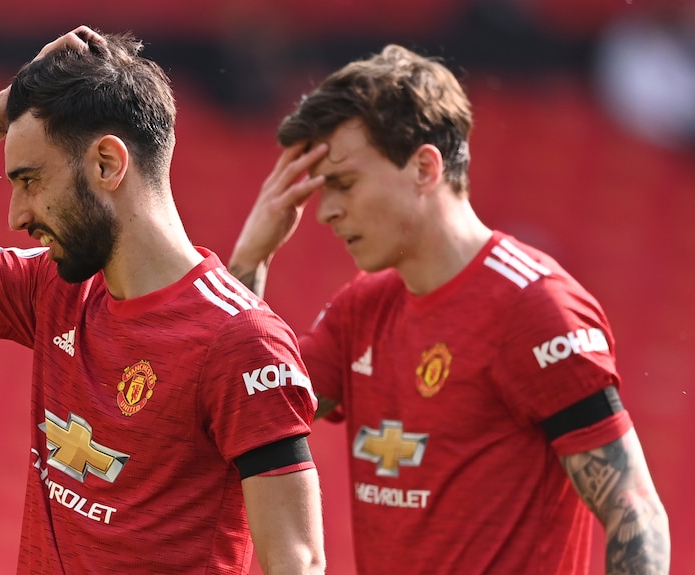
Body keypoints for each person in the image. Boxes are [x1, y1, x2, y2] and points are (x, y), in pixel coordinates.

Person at [0, 26, 325, 575]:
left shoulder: (241, 341)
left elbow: (299, 563)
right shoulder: (52, 290)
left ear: (106, 164)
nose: (17, 216)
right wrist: (5, 109)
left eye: (30, 180)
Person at [228, 44, 670, 574]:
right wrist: (251, 259)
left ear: (424, 168)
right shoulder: (361, 309)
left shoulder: (535, 307)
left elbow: (634, 509)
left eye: (343, 184)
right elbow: (254, 415)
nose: (326, 211)